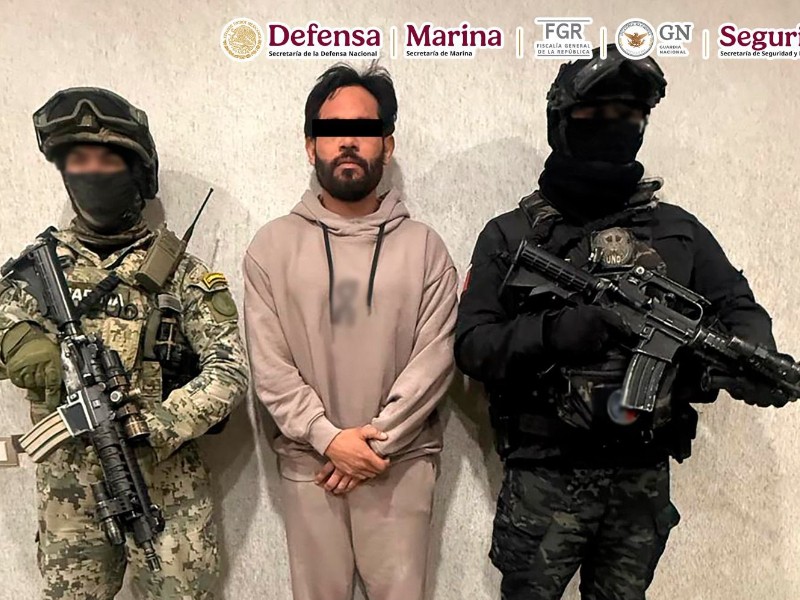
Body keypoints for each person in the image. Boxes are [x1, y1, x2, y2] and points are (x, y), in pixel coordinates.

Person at [455, 45, 788, 599]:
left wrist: (749, 356)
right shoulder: (512, 235)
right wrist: (553, 334)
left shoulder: (678, 232)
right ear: (561, 122)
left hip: (640, 480)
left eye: (629, 115)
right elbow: (471, 344)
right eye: (595, 114)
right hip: (546, 477)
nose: (613, 127)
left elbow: (738, 306)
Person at [0, 87, 248, 599]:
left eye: (107, 160)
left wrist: (156, 424)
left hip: (166, 490)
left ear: (137, 172)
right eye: (79, 160)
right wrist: (13, 336)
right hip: (69, 497)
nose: (92, 172)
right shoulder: (34, 271)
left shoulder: (181, 273)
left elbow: (229, 370)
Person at [244, 63, 458, 600]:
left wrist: (370, 445)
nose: (348, 142)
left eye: (363, 130)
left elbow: (436, 358)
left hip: (399, 467)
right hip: (311, 467)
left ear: (387, 144)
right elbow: (270, 366)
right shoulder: (271, 248)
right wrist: (329, 439)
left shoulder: (425, 248)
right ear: (310, 145)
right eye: (333, 130)